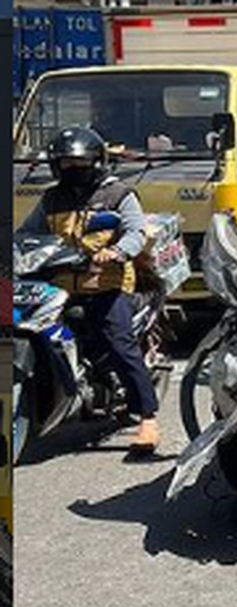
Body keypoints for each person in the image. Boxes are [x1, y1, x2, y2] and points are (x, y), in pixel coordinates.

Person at [16, 126, 159, 453]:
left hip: (108, 283)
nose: (73, 169)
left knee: (118, 340)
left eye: (80, 163)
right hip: (60, 284)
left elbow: (136, 232)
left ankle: (148, 419)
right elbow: (27, 233)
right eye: (65, 163)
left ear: (97, 162)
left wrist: (119, 251)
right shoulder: (51, 198)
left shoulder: (118, 194)